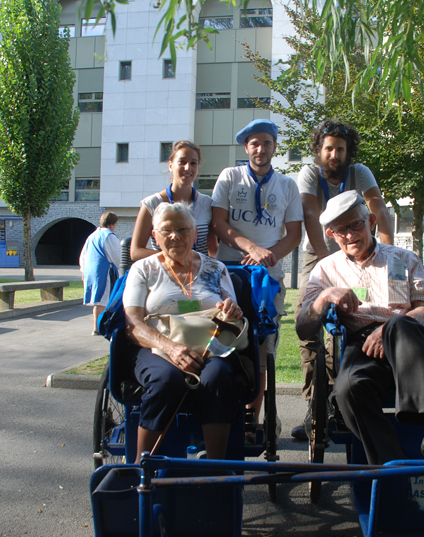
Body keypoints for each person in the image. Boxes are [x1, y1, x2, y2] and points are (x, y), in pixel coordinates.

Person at [296, 191, 424, 465]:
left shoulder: (404, 258)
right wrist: (324, 297)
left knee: (399, 323)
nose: (349, 235)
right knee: (348, 389)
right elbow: (304, 328)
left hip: (415, 338)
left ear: (371, 221)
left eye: (356, 225)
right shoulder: (325, 269)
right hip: (364, 345)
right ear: (331, 234)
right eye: (340, 230)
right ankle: (390, 466)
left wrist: (388, 330)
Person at [292, 119, 395, 441]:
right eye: (328, 149)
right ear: (319, 150)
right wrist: (330, 265)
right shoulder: (309, 174)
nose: (334, 154)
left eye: (340, 149)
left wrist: (389, 251)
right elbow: (311, 216)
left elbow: (379, 209)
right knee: (309, 323)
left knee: (364, 314)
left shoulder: (359, 173)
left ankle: (344, 400)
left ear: (349, 152)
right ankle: (315, 407)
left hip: (361, 249)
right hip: (320, 253)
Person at [123, 202, 244, 462]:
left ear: (195, 233)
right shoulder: (143, 269)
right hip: (157, 347)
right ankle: (140, 465)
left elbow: (233, 315)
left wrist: (232, 309)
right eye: (166, 230)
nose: (175, 236)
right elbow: (133, 324)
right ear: (155, 236)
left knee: (218, 377)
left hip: (210, 346)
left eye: (182, 229)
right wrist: (171, 348)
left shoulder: (216, 268)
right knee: (165, 379)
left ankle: (216, 467)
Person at [211, 118, 303, 421]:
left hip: (269, 281)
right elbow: (219, 224)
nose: (260, 149)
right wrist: (251, 248)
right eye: (254, 143)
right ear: (246, 148)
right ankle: (220, 412)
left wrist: (267, 257)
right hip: (229, 276)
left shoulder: (288, 185)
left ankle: (252, 418)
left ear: (275, 147)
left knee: (261, 352)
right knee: (221, 342)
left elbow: (294, 235)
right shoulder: (230, 176)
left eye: (266, 143)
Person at [130, 140, 217, 260]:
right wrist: (175, 257)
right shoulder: (152, 204)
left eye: (193, 163)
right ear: (171, 165)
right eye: (182, 162)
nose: (188, 167)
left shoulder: (207, 203)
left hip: (198, 269)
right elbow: (136, 252)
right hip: (164, 270)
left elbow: (213, 250)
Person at [80, 212, 121, 335]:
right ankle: (98, 328)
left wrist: (83, 270)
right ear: (112, 224)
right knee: (103, 300)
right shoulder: (109, 236)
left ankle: (98, 327)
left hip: (90, 270)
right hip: (103, 271)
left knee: (98, 300)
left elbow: (83, 255)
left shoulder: (92, 236)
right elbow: (117, 256)